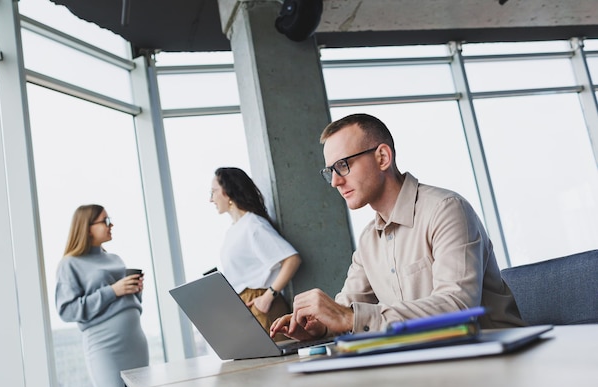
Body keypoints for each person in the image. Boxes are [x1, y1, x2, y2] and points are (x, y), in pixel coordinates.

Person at [270, 113, 525, 341]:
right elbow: (346, 308)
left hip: (493, 359)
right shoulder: (370, 240)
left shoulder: (446, 209)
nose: (335, 181)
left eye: (343, 165)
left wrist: (349, 318)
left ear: (382, 157)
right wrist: (321, 326)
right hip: (430, 362)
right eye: (330, 171)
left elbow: (458, 307)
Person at [55, 204, 149, 387]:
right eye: (105, 221)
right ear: (87, 228)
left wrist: (135, 291)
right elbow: (68, 310)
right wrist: (113, 291)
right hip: (105, 346)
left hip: (135, 342)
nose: (111, 225)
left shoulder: (115, 259)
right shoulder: (69, 264)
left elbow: (128, 304)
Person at [210, 167, 302, 340]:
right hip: (246, 306)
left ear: (228, 192)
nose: (210, 199)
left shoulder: (253, 225)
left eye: (213, 191)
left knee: (274, 365)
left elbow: (292, 259)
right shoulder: (233, 230)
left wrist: (268, 297)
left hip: (261, 304)